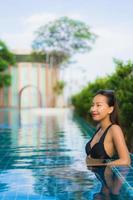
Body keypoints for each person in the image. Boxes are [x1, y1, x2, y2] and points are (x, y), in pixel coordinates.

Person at [85, 89, 131, 166]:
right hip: (93, 174)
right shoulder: (100, 128)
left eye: (98, 105)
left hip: (103, 176)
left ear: (110, 109)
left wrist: (97, 166)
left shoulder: (114, 129)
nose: (93, 109)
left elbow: (126, 160)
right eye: (92, 105)